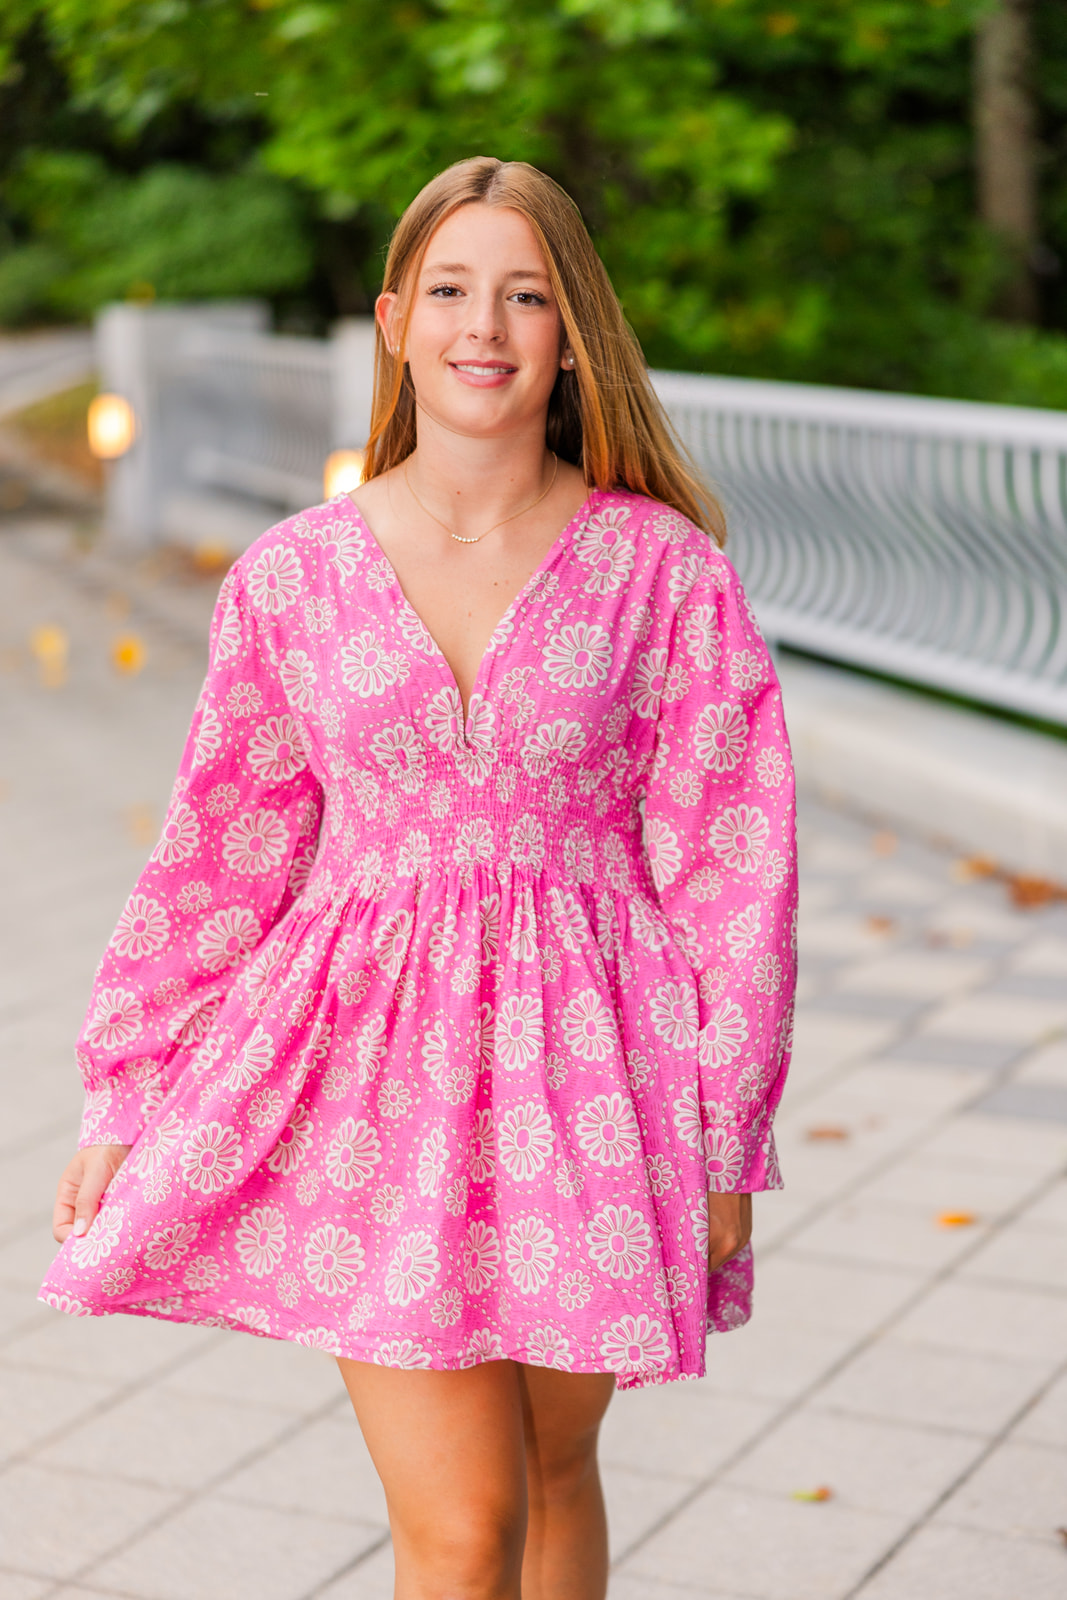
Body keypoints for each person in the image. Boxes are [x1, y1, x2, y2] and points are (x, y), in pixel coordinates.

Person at [44, 156, 797, 1600]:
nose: (486, 326)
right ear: (394, 320)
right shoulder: (292, 577)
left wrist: (726, 1130)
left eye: (527, 295)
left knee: (556, 1469)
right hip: (372, 1079)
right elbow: (221, 848)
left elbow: (734, 868)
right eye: (451, 290)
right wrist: (127, 1081)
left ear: (573, 330)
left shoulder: (662, 572)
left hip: (596, 1075)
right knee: (459, 1531)